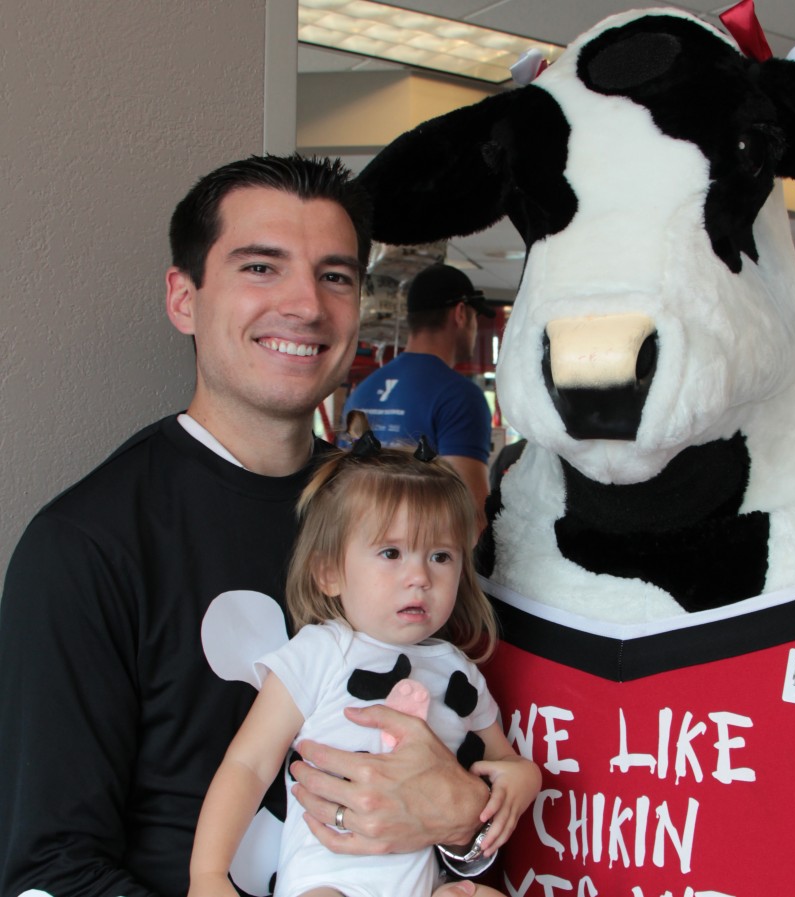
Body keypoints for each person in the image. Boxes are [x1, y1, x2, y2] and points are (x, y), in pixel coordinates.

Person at [0, 155, 491, 897]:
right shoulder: (86, 546)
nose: (304, 304)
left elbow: (465, 765)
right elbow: (47, 869)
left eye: (335, 275)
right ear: (183, 298)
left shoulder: (401, 523)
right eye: (261, 267)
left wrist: (464, 822)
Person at [189, 440, 540, 897]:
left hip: (424, 882)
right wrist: (209, 875)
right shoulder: (321, 652)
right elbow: (249, 764)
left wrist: (524, 777)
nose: (420, 576)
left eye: (440, 556)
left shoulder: (458, 672)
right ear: (330, 572)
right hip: (327, 881)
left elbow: (504, 758)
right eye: (391, 553)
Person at [346, 264, 494, 533]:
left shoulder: (363, 390)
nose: (474, 330)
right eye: (474, 318)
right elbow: (472, 515)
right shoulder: (460, 396)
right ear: (460, 314)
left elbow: (340, 486)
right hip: (418, 561)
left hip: (363, 555)